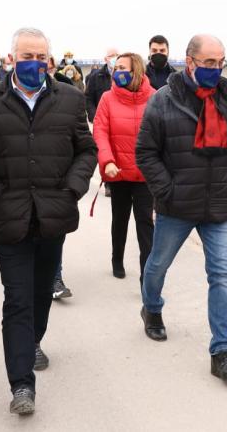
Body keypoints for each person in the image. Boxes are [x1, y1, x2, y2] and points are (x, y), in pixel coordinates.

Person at [0, 27, 96, 414]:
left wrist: (72, 189)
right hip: (10, 218)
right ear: (11, 59)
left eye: (41, 57)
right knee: (18, 299)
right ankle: (22, 384)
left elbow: (86, 150)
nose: (35, 63)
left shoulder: (71, 99)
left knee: (41, 294)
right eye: (27, 56)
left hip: (53, 216)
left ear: (50, 60)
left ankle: (32, 341)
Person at [136, 34, 227, 385]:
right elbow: (146, 152)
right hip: (176, 204)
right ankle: (151, 308)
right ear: (190, 63)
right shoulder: (163, 101)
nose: (216, 69)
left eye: (221, 62)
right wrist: (166, 189)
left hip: (219, 204)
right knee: (157, 264)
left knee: (222, 275)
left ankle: (222, 351)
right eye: (209, 63)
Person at [93, 52, 156, 281]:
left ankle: (147, 276)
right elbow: (100, 132)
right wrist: (107, 161)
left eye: (122, 68)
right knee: (120, 220)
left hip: (145, 176)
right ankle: (116, 258)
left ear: (136, 71)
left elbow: (162, 136)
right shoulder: (107, 99)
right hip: (117, 172)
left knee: (145, 224)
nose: (117, 71)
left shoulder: (155, 98)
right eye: (116, 67)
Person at [83, 47, 118, 122]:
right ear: (106, 59)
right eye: (111, 56)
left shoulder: (125, 76)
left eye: (117, 55)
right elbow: (88, 98)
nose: (115, 58)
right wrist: (94, 116)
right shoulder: (95, 77)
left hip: (120, 119)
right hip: (101, 120)